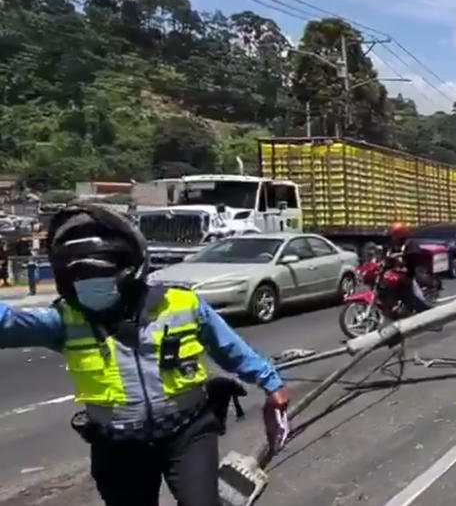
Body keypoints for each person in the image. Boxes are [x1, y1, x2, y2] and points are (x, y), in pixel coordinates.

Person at [0, 204, 290, 506]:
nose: (91, 287)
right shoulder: (65, 320)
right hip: (117, 446)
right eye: (80, 279)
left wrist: (271, 383)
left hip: (187, 432)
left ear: (130, 268)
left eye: (102, 276)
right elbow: (6, 323)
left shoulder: (181, 304)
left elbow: (231, 349)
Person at [386, 222, 434, 314]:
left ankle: (429, 314)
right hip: (398, 272)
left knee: (412, 294)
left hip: (411, 272)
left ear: (401, 234)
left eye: (395, 234)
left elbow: (413, 258)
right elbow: (387, 257)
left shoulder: (410, 244)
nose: (393, 237)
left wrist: (404, 263)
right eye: (393, 235)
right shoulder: (392, 246)